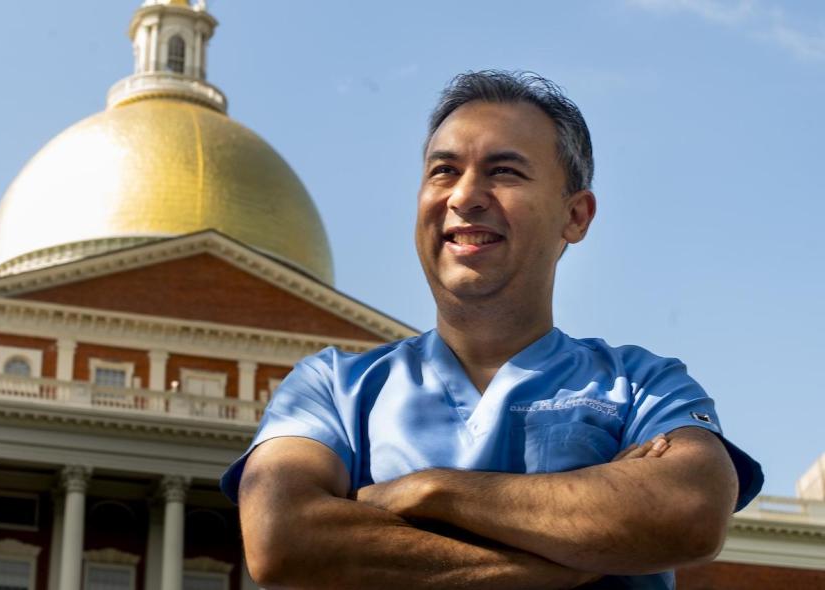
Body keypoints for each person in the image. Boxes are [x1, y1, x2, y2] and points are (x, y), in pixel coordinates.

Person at [220, 70, 763, 589]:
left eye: (505, 171)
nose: (464, 195)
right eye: (444, 171)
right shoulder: (332, 388)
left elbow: (689, 511)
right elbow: (282, 538)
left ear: (575, 216)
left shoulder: (642, 384)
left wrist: (428, 491)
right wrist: (570, 560)